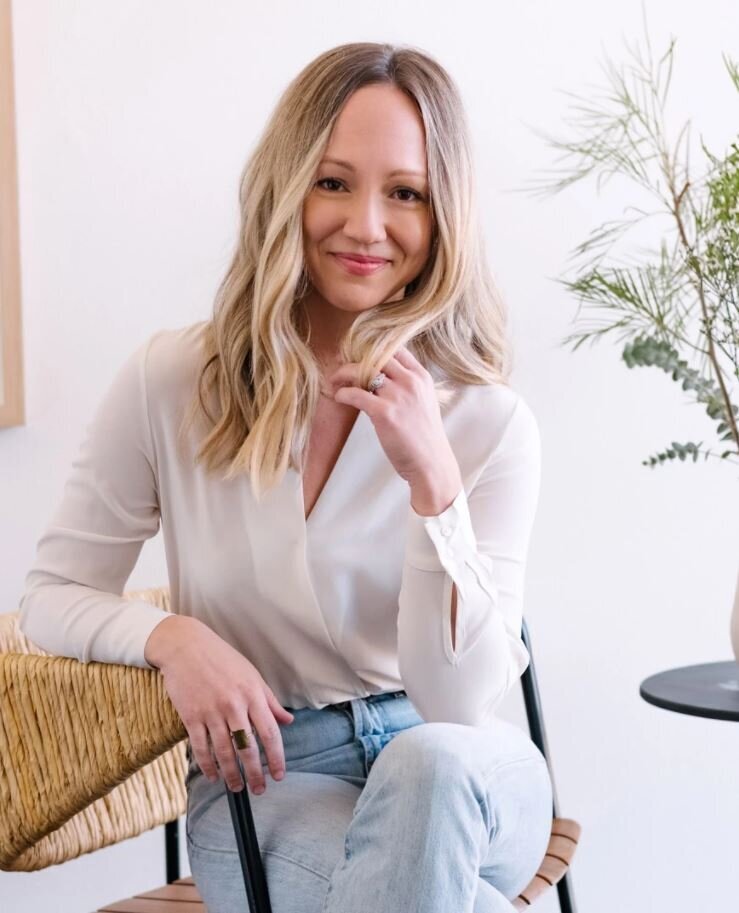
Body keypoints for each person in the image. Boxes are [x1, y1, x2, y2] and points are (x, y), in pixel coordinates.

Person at [18, 41, 553, 913]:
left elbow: (456, 703)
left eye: (405, 193)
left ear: (442, 211)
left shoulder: (487, 423)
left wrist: (432, 487)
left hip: (466, 770)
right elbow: (53, 592)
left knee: (425, 764)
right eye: (333, 181)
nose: (367, 225)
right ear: (286, 186)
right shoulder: (173, 380)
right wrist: (175, 640)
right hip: (268, 778)